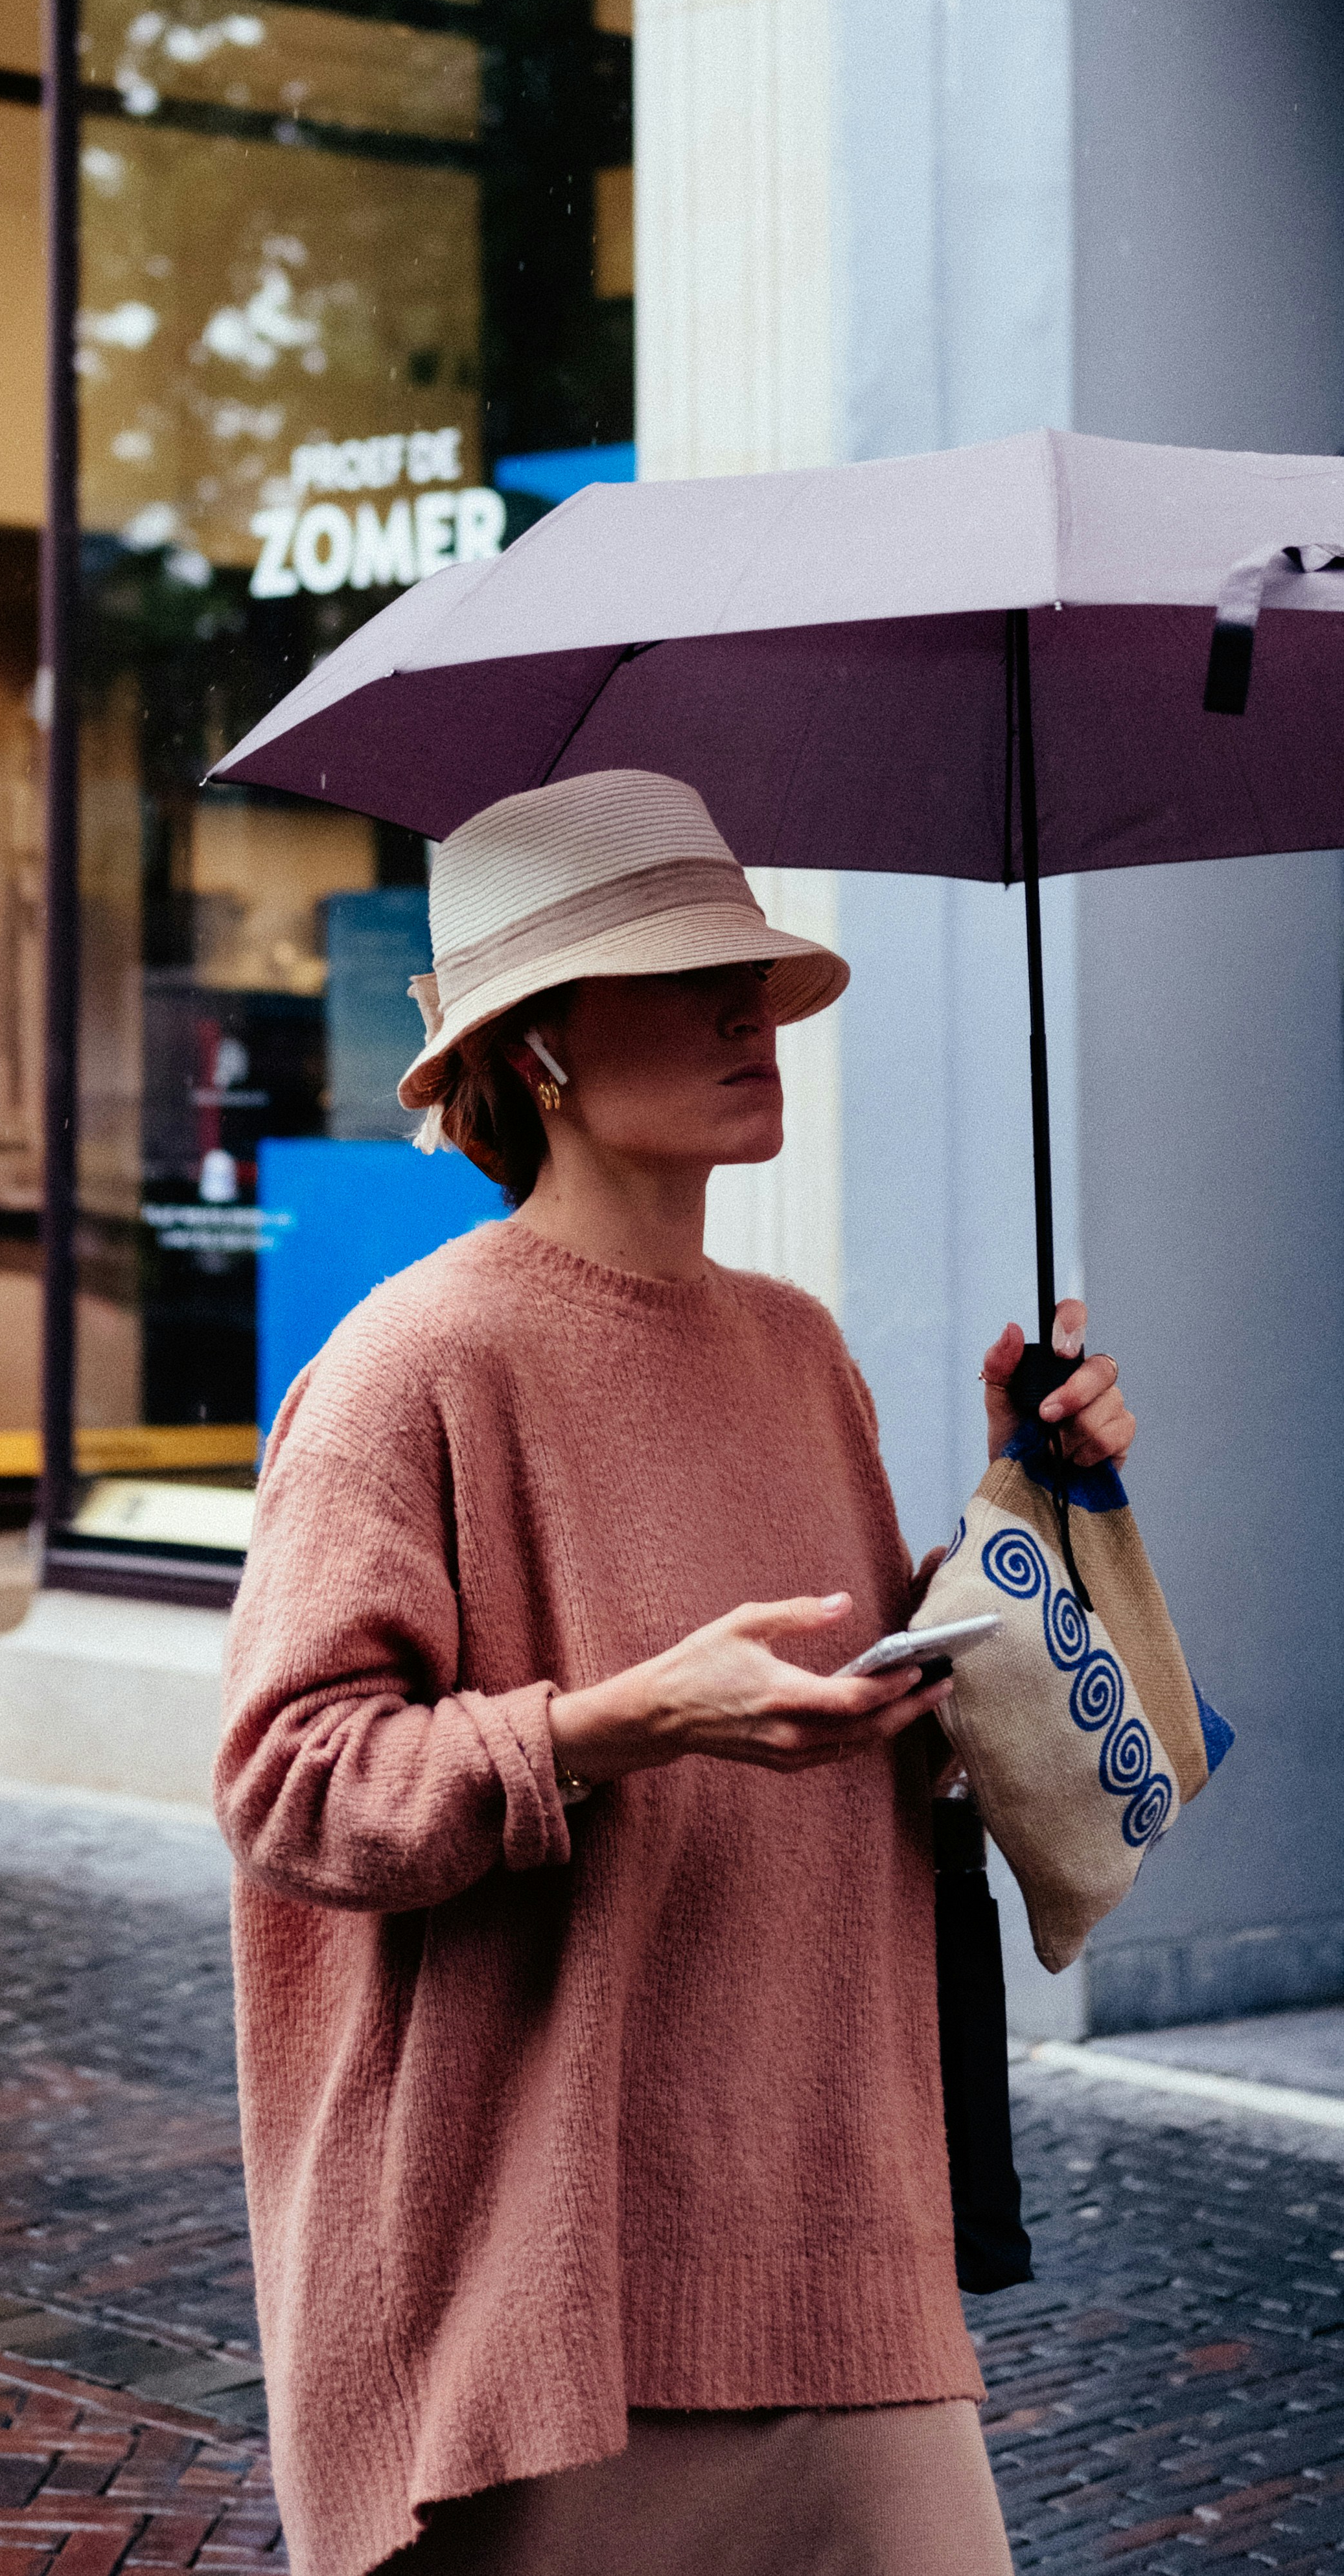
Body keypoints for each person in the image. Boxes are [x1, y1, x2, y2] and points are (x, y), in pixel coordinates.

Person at [213, 770, 1136, 2576]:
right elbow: (291, 1786)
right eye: (681, 969)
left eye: (749, 963)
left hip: (840, 2248)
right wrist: (618, 1724)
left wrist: (1033, 1499)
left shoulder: (798, 1355)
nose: (747, 1008)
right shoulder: (410, 1370)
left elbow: (893, 1743)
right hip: (551, 2288)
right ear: (535, 1048)